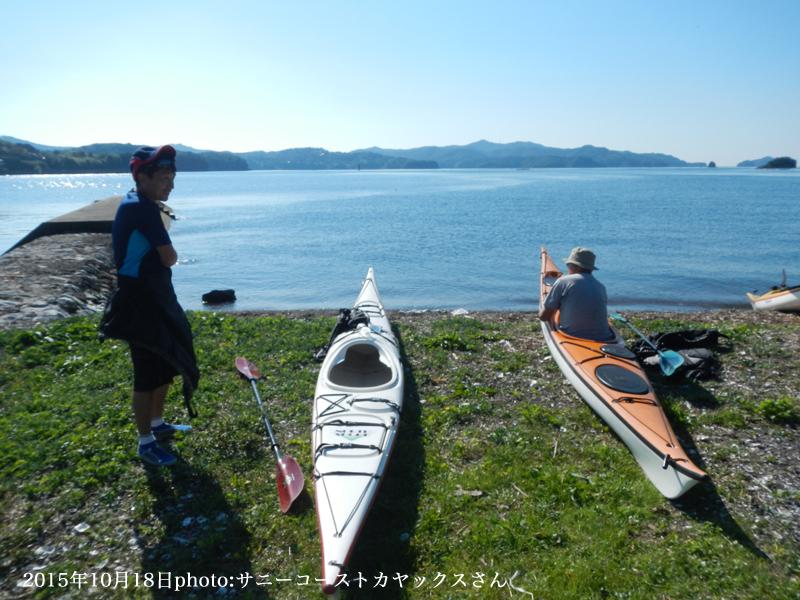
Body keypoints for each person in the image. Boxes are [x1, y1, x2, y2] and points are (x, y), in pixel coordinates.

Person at [99, 145, 199, 467]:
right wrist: (163, 256)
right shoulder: (140, 207)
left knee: (167, 358)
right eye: (165, 178)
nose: (171, 185)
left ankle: (157, 425)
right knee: (146, 372)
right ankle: (146, 444)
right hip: (139, 298)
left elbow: (162, 257)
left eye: (173, 177)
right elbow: (170, 257)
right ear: (142, 177)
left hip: (155, 295)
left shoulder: (142, 202)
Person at [538, 247, 613, 341]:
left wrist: (543, 304)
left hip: (574, 337)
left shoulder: (563, 282)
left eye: (568, 265)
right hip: (605, 338)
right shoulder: (601, 286)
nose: (567, 267)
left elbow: (543, 317)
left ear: (575, 266)